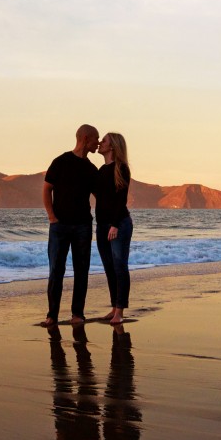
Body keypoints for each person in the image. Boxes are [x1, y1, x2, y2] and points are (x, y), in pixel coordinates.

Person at [42, 124, 99, 326]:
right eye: (95, 139)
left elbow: (100, 196)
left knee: (81, 270)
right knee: (56, 270)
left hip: (83, 225)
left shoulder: (92, 169)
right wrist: (51, 217)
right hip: (59, 226)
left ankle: (78, 314)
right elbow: (47, 189)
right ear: (85, 138)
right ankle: (52, 315)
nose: (98, 143)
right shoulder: (60, 162)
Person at [94, 132, 133, 324]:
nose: (100, 143)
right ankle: (113, 306)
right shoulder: (101, 170)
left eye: (104, 141)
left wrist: (115, 224)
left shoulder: (121, 168)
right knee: (109, 267)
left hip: (118, 224)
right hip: (101, 225)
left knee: (119, 267)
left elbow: (121, 199)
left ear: (112, 147)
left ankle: (120, 311)